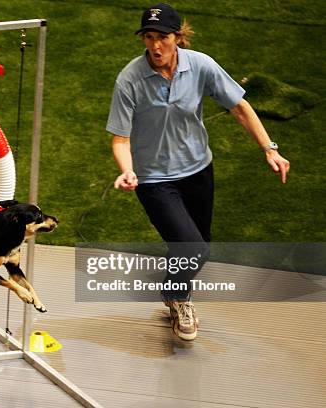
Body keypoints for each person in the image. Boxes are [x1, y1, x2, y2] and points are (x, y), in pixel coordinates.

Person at [106, 3, 290, 341]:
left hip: (198, 170)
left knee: (196, 244)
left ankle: (173, 289)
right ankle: (179, 299)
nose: (155, 45)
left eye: (162, 37)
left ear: (178, 36)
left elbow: (239, 107)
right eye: (149, 37)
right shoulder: (130, 79)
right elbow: (120, 139)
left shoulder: (200, 66)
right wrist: (128, 171)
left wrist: (270, 148)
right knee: (193, 248)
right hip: (154, 179)